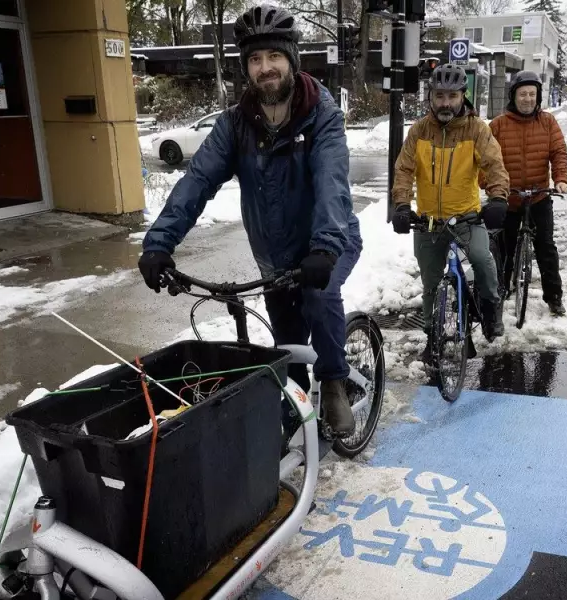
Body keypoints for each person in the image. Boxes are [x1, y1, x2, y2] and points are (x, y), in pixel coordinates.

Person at [137, 4, 362, 437]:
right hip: (275, 257)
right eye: (255, 59)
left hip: (329, 244)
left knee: (318, 299)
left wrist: (324, 247)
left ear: (292, 60)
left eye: (274, 56)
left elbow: (332, 183)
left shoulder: (322, 116)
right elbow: (198, 180)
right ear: (246, 68)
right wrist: (159, 242)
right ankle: (295, 409)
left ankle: (334, 380)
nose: (265, 68)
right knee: (286, 346)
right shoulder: (235, 124)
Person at [391, 63, 511, 360]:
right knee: (430, 284)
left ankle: (491, 309)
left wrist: (498, 198)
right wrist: (402, 205)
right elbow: (404, 170)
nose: (446, 103)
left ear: (462, 96)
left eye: (452, 96)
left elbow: (494, 165)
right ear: (430, 96)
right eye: (440, 96)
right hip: (429, 221)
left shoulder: (476, 129)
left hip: (467, 217)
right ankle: (431, 337)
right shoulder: (419, 131)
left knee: (482, 260)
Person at [488, 71, 567, 317]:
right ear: (514, 96)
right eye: (523, 94)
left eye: (532, 94)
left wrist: (561, 180)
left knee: (546, 247)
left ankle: (554, 297)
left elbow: (558, 152)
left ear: (538, 96)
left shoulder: (547, 122)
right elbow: (483, 159)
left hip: (538, 196)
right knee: (503, 249)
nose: (527, 99)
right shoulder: (498, 125)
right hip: (508, 198)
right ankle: (501, 291)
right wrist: (491, 186)